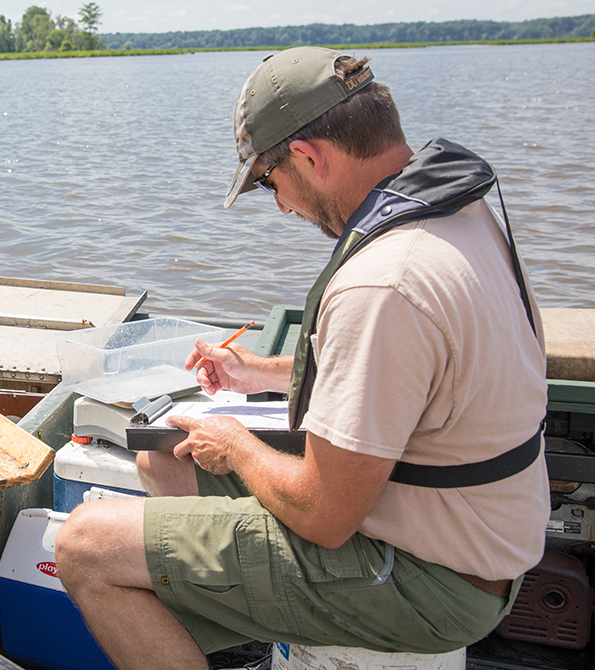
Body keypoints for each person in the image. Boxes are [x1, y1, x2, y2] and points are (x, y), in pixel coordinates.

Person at [54, 46, 549, 670]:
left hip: (430, 577)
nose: (281, 205)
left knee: (86, 549)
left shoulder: (383, 283)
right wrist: (257, 371)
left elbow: (324, 515)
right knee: (165, 455)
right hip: (476, 538)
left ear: (310, 156)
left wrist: (236, 443)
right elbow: (413, 380)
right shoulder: (461, 214)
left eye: (270, 182)